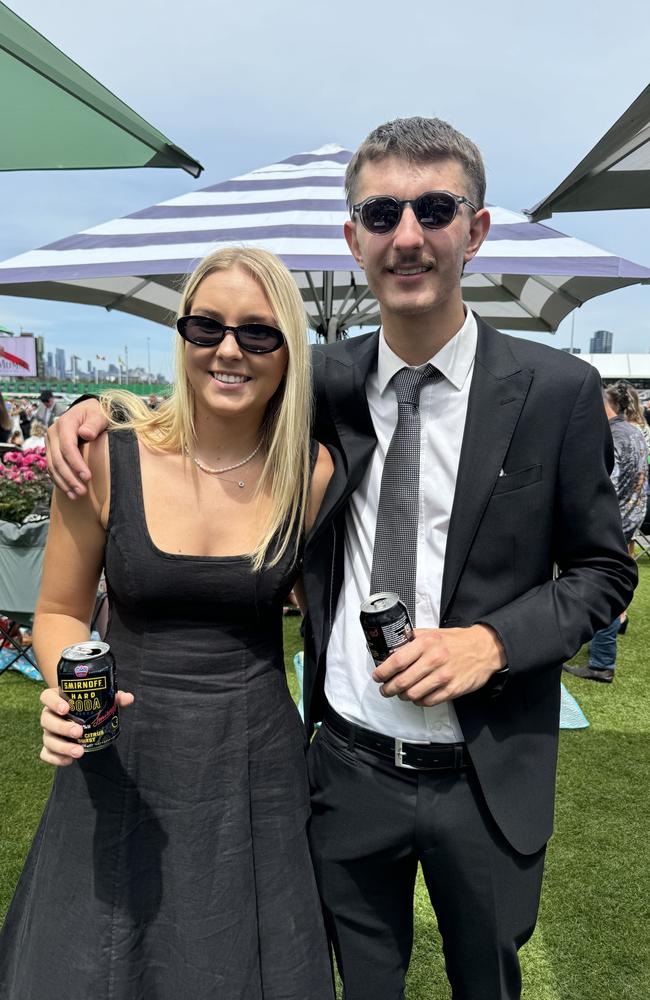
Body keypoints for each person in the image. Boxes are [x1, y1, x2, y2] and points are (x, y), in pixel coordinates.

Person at [45, 117, 637, 1000]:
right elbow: (213, 389)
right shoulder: (318, 382)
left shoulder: (555, 390)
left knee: (489, 984)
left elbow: (605, 572)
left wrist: (495, 643)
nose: (408, 234)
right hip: (345, 767)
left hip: (487, 772)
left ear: (473, 230)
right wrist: (96, 403)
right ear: (352, 235)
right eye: (382, 211)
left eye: (435, 209)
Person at [0, 247, 335, 1000]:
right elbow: (55, 612)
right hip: (122, 756)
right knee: (100, 962)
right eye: (206, 325)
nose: (228, 349)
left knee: (243, 963)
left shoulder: (312, 476)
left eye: (258, 333)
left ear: (289, 352)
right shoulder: (105, 459)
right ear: (181, 335)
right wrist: (63, 691)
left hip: (256, 767)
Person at [564, 382, 647, 682]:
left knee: (601, 585)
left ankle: (601, 661)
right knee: (614, 583)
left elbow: (601, 483)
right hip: (631, 517)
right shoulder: (635, 431)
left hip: (612, 521)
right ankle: (606, 642)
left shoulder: (613, 434)